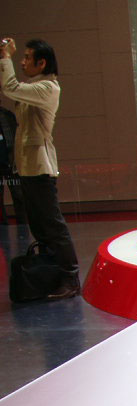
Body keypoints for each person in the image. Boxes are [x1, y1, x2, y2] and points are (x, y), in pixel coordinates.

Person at [0, 37, 79, 299]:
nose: (22, 61)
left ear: (41, 62)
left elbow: (9, 87)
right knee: (40, 226)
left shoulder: (48, 87)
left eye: (26, 57)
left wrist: (5, 56)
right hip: (28, 167)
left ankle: (70, 277)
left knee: (52, 225)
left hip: (41, 168)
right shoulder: (34, 87)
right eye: (20, 57)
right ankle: (52, 273)